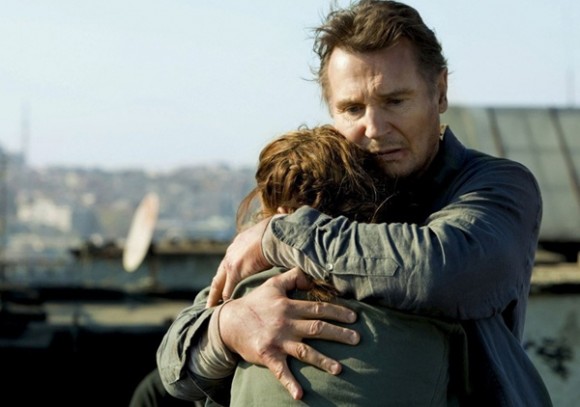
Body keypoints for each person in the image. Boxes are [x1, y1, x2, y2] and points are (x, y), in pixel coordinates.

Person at [158, 1, 552, 406]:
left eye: (395, 101)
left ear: (440, 91)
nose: (374, 128)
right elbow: (174, 368)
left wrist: (280, 237)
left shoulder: (495, 186)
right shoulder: (320, 194)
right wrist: (229, 327)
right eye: (352, 109)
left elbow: (444, 270)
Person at [153, 125, 468, 406]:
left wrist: (226, 324)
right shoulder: (432, 302)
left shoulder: (250, 288)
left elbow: (174, 374)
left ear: (279, 215)